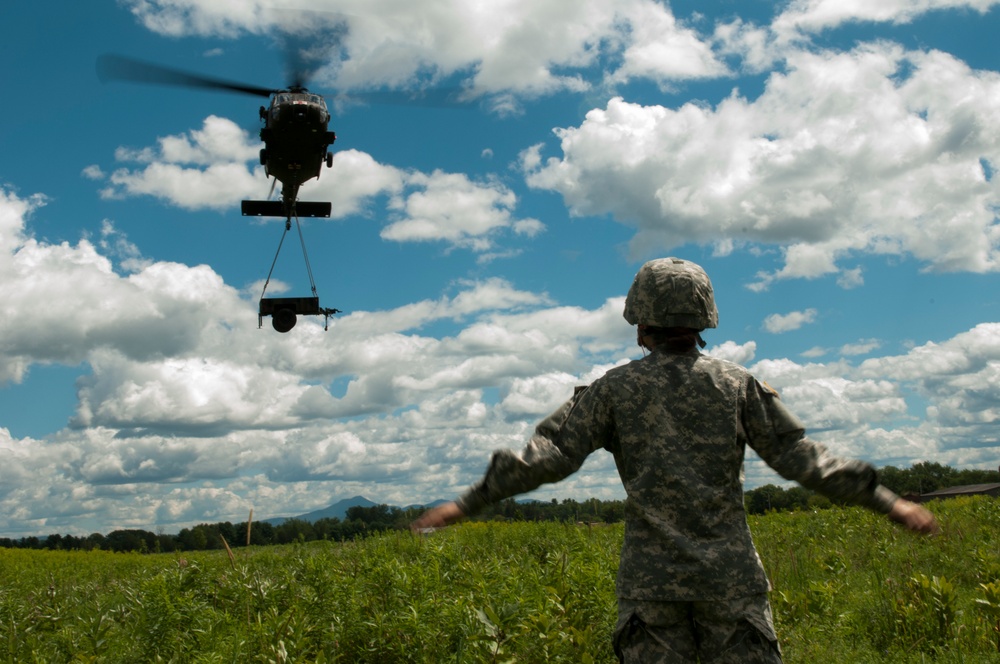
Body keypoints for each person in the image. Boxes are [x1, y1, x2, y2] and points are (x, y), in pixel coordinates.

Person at [411, 257, 939, 663]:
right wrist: (889, 503)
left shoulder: (611, 391)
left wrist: (466, 503)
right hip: (730, 586)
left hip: (651, 591)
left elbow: (549, 457)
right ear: (704, 316)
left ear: (640, 323)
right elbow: (799, 458)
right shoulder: (737, 385)